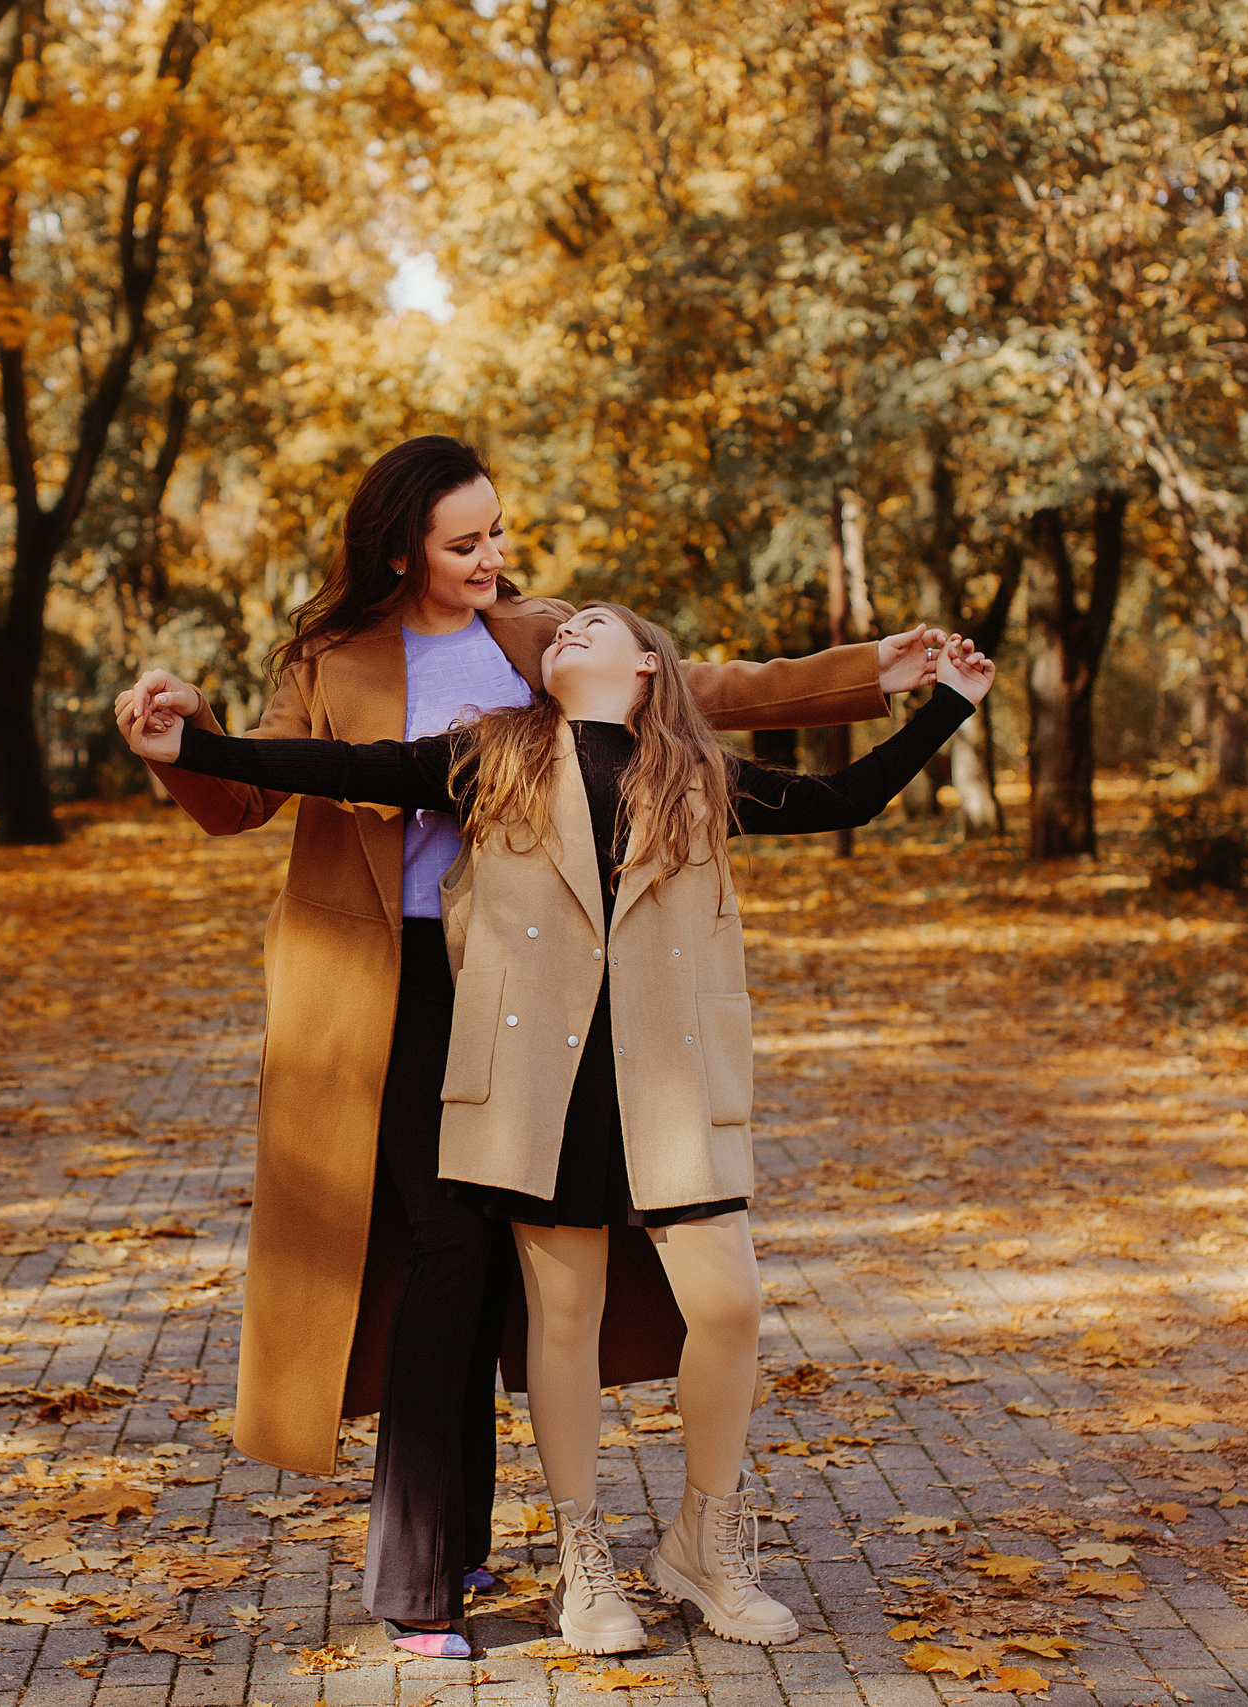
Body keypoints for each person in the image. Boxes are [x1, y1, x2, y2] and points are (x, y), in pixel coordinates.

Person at [111, 437, 947, 1657]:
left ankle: (515, 1541)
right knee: (444, 1252)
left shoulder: (534, 636)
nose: (493, 559)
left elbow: (703, 692)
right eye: (465, 544)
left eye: (498, 532)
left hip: (537, 993)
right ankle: (425, 1571)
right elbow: (263, 789)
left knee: (521, 1271)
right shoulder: (330, 658)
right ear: (400, 548)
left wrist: (878, 669)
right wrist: (181, 735)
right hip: (397, 989)